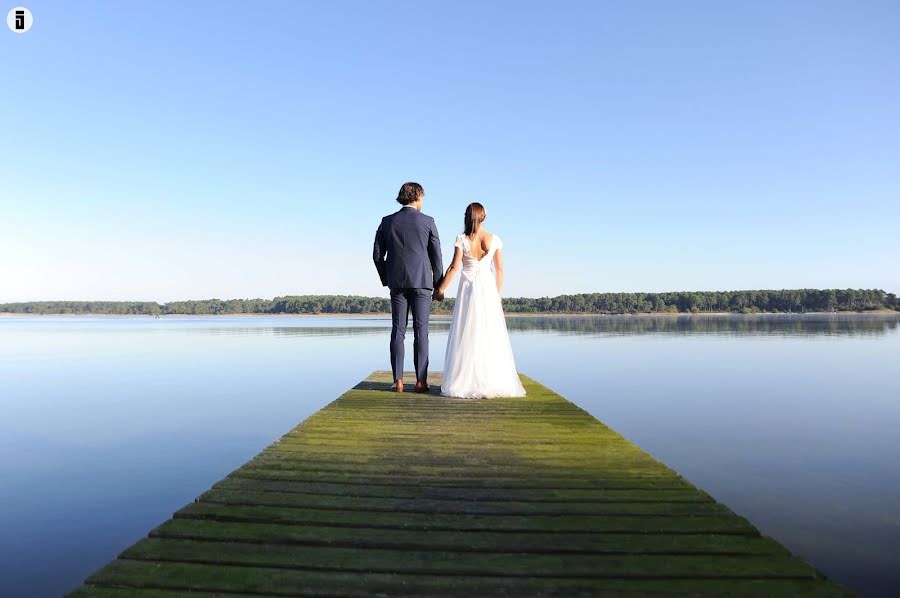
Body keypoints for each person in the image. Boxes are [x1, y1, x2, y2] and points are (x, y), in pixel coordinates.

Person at [434, 203, 526, 398]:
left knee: (467, 331)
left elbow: (453, 268)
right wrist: (497, 295)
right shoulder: (494, 240)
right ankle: (489, 378)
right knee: (488, 332)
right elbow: (499, 270)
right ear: (484, 217)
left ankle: (466, 378)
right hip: (487, 289)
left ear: (467, 217)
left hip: (468, 288)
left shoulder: (462, 239)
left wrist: (441, 290)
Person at [373, 182, 443, 393]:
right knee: (422, 331)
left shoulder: (387, 222)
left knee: (398, 331)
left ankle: (398, 381)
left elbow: (377, 255)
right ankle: (421, 381)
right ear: (418, 196)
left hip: (397, 282)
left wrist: (387, 278)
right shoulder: (428, 221)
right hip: (422, 282)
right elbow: (436, 256)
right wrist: (438, 284)